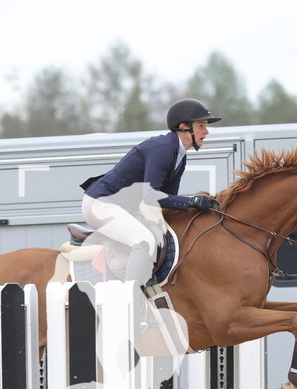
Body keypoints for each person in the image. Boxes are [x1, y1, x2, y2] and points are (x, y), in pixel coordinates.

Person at [80, 98, 221, 288]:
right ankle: (129, 299)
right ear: (184, 127)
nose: (206, 132)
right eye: (201, 125)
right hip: (100, 205)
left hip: (120, 207)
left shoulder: (179, 156)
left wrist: (196, 207)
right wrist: (191, 202)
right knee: (144, 240)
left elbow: (166, 200)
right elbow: (151, 196)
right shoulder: (163, 149)